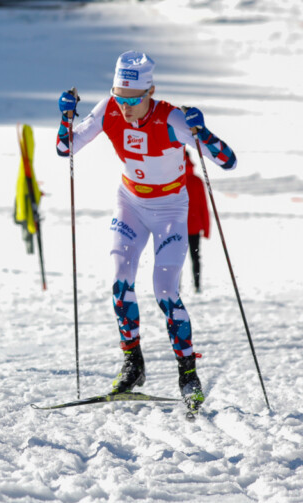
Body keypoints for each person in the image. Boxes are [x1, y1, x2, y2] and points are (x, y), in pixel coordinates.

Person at [56, 51, 237, 413]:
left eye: (133, 100)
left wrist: (202, 130)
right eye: (118, 96)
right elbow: (66, 148)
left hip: (171, 209)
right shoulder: (109, 108)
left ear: (150, 92)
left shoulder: (171, 118)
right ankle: (132, 364)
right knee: (120, 281)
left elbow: (227, 160)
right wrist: (65, 119)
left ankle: (188, 375)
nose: (124, 107)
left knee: (165, 290)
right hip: (131, 204)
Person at [184, 150, 210, 292]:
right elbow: (204, 206)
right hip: (194, 227)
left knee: (177, 259)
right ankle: (197, 285)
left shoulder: (173, 180)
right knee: (195, 257)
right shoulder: (197, 181)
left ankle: (175, 287)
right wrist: (206, 228)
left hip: (178, 227)